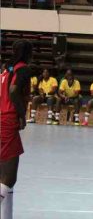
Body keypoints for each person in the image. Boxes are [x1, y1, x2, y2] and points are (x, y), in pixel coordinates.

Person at [0, 40, 32, 219]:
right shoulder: (23, 69)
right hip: (8, 121)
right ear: (28, 53)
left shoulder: (7, 69)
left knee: (4, 179)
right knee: (9, 178)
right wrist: (21, 115)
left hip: (1, 118)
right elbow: (13, 91)